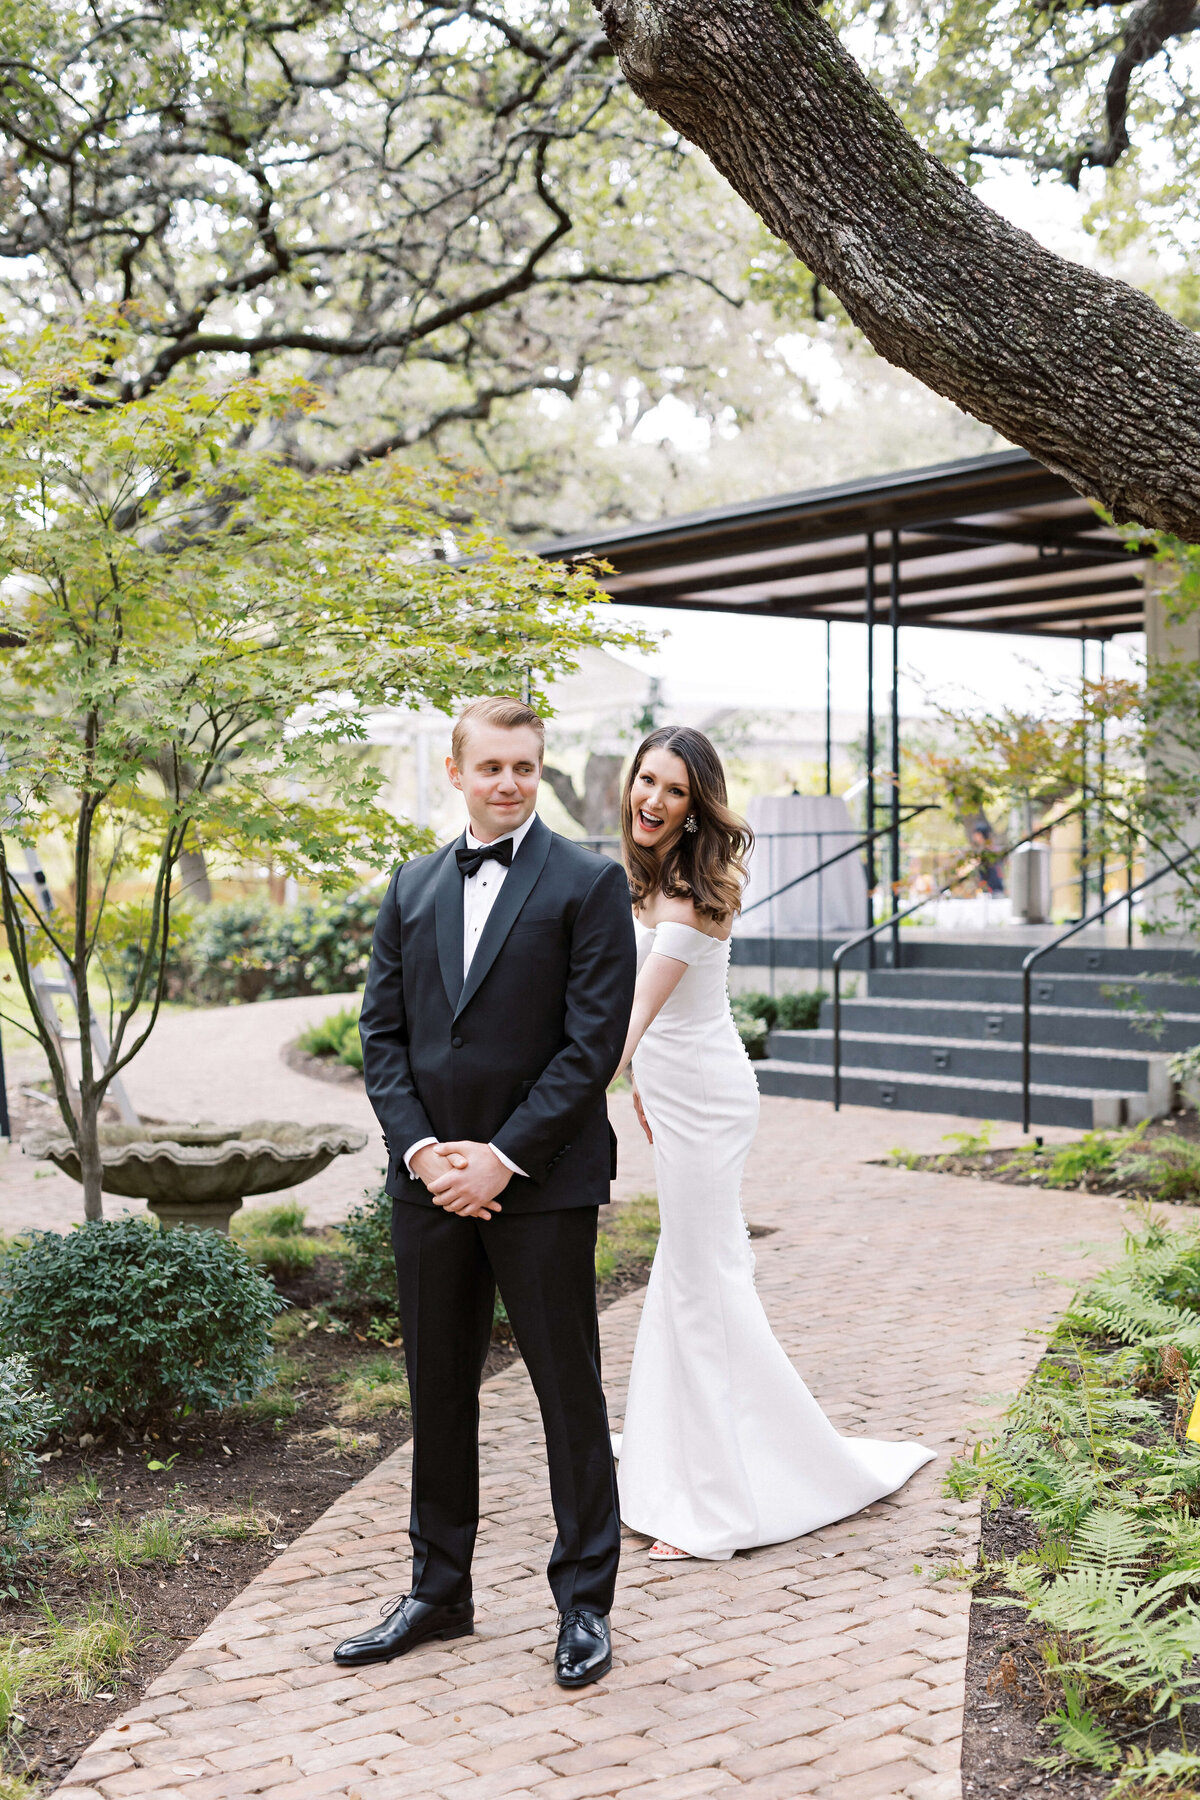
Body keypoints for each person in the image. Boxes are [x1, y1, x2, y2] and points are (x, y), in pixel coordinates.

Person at [333, 695, 636, 1687]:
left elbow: (589, 1045)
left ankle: (584, 1603)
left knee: (567, 1396)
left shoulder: (588, 884)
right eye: (491, 765)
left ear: (539, 770)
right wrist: (423, 1153)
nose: (508, 781)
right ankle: (438, 1590)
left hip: (540, 1186)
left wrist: (500, 1158)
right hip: (427, 1189)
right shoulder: (410, 887)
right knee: (437, 1392)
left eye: (524, 766)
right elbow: (382, 1038)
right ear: (456, 771)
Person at [613, 725, 934, 1562]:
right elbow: (654, 1031)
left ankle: (716, 1507)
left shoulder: (685, 896)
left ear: (696, 807)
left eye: (674, 790)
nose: (652, 799)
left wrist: (552, 1106)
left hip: (711, 1102)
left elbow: (629, 1023)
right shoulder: (646, 883)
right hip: (678, 1094)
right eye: (646, 780)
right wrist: (645, 1084)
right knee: (684, 1274)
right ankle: (666, 1471)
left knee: (700, 1279)